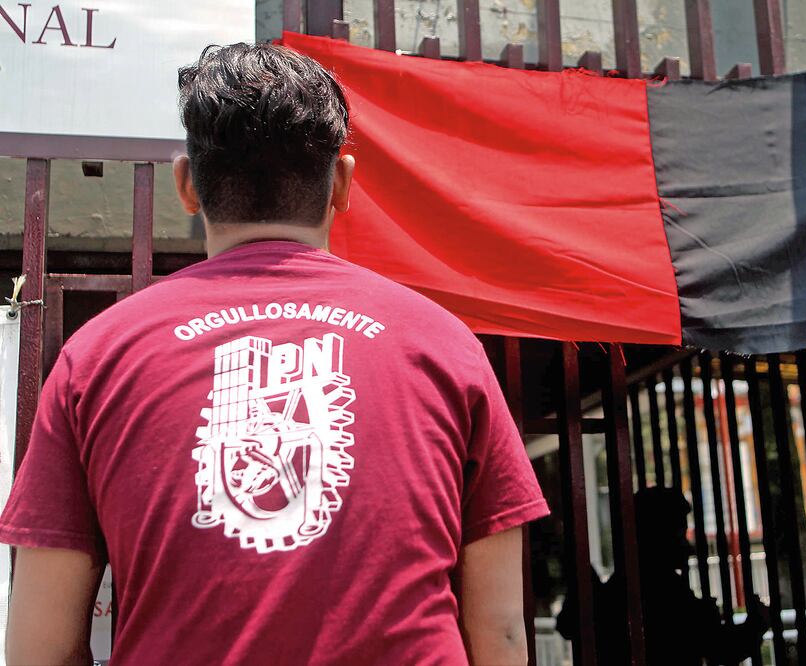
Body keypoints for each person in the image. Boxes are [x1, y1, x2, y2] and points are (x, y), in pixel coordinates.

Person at [0, 43, 548, 665]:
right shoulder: (446, 344)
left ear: (185, 185)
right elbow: (500, 633)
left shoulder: (96, 356)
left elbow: (36, 648)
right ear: (341, 184)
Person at [557, 487, 768, 664]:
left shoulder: (621, 585)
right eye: (679, 533)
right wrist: (757, 623)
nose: (687, 546)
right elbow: (720, 647)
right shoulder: (663, 589)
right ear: (657, 536)